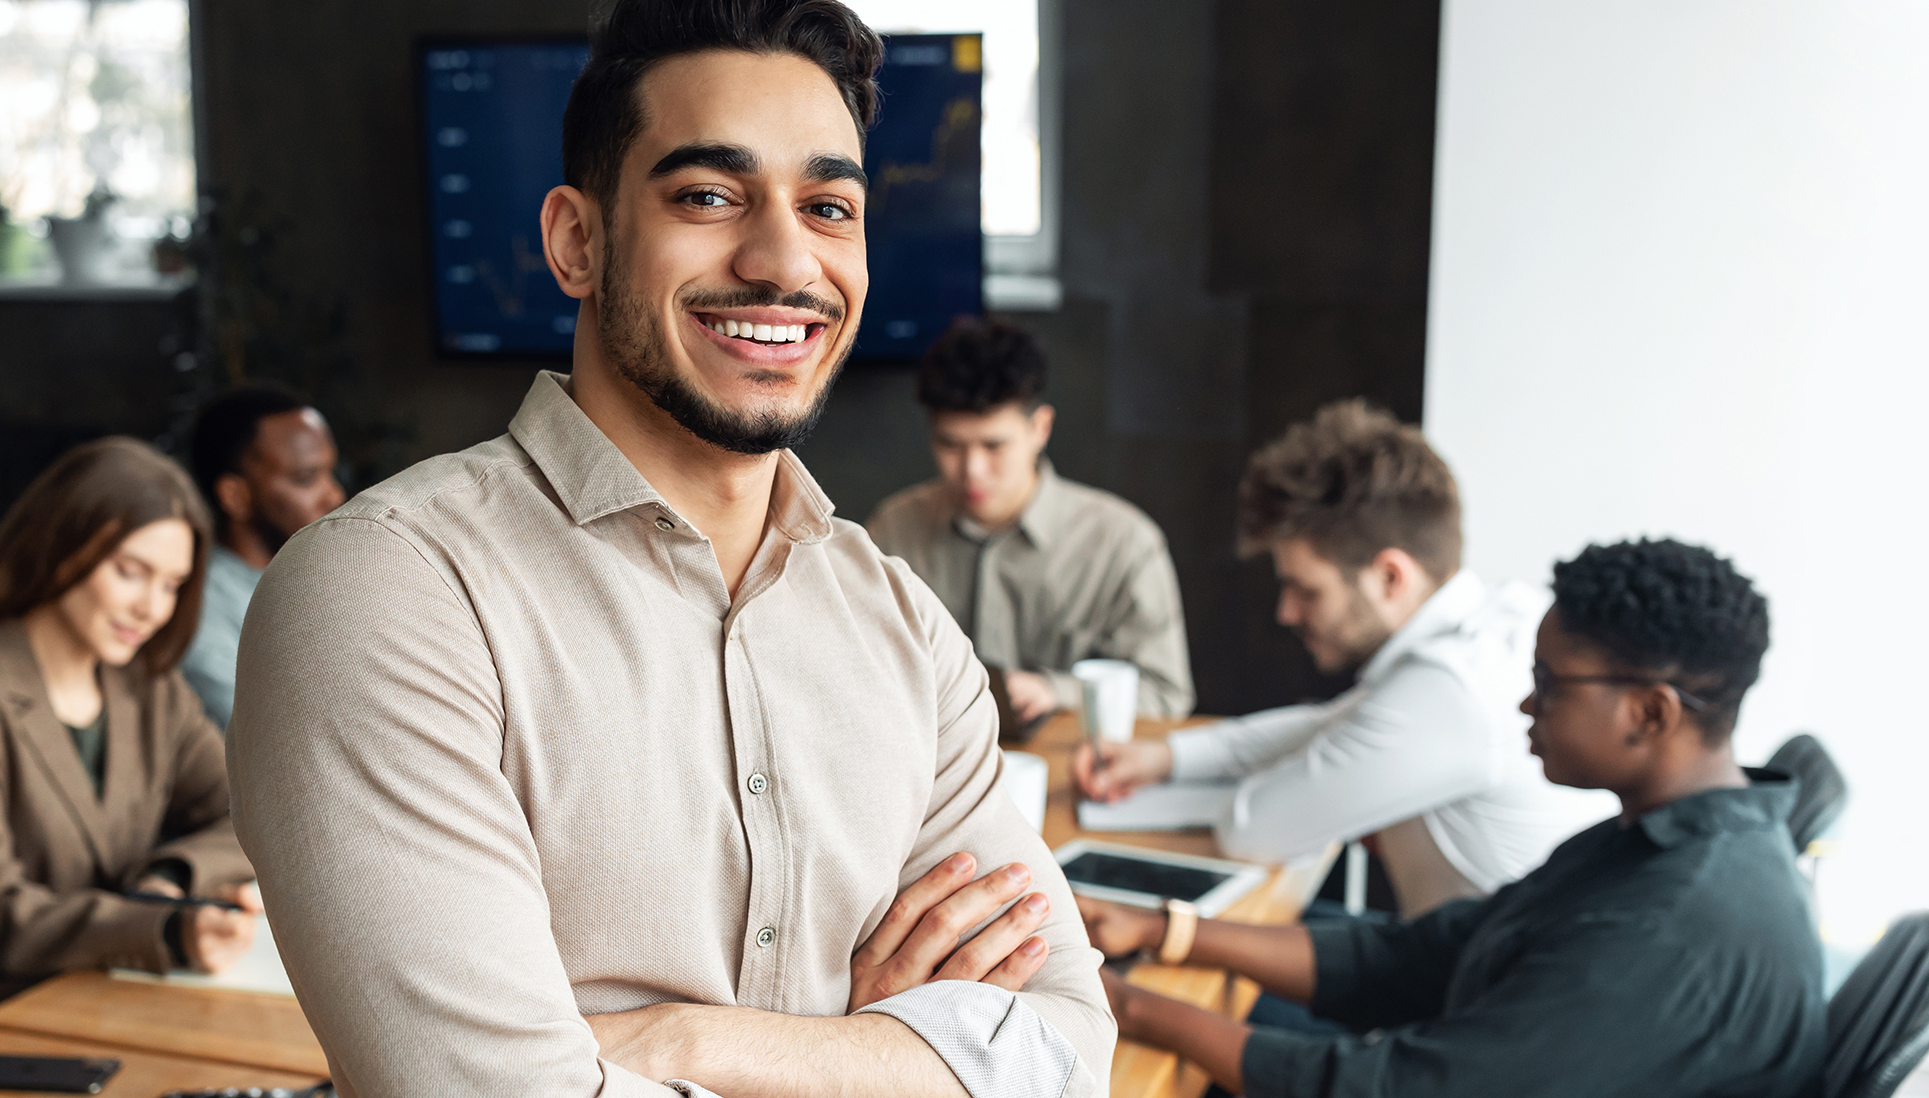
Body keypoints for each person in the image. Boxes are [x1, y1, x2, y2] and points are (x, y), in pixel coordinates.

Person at [234, 2, 1116, 1095]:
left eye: (828, 206)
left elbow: (1070, 1048)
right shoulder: (388, 592)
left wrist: (676, 1042)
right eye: (708, 195)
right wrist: (887, 1052)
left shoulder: (903, 627)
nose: (784, 260)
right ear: (577, 241)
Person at [1083, 538, 1825, 1098]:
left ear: (1649, 712)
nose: (1527, 705)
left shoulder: (1671, 926)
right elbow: (1427, 956)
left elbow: (1405, 1090)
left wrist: (1133, 1010)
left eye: (1550, 684)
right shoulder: (1665, 835)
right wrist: (1162, 930)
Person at [1075, 401, 1609, 917]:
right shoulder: (1499, 619)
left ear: (1389, 577)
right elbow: (1337, 724)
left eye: (1306, 591)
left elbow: (1253, 830)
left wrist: (1266, 791)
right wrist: (1165, 758)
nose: (1285, 612)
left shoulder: (1452, 690)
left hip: (1469, 998)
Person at [0, 437, 263, 1059]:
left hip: (110, 997)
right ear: (61, 547)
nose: (152, 608)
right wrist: (161, 927)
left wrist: (170, 877)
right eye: (130, 572)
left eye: (171, 584)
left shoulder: (147, 685)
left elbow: (251, 808)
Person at [868, 317, 1194, 724]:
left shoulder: (1123, 543)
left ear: (1040, 428)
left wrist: (1054, 691)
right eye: (950, 445)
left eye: (994, 445)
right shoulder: (894, 530)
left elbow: (1165, 694)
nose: (972, 471)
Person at [180, 385, 347, 728]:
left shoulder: (334, 577)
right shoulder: (201, 607)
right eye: (306, 478)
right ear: (235, 495)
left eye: (331, 472)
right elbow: (269, 735)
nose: (334, 494)